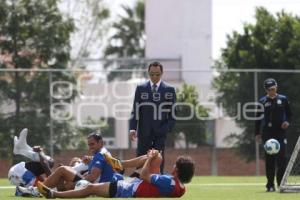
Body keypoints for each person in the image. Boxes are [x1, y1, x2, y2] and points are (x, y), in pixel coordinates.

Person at [37, 150, 195, 198]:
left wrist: (149, 160)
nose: (172, 166)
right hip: (137, 185)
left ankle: (53, 194)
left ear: (178, 170)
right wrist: (153, 157)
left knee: (90, 187)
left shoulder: (170, 182)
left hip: (129, 189)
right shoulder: (179, 186)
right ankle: (120, 164)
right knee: (157, 156)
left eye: (175, 165)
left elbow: (146, 174)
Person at [129, 61, 176, 173]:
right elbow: (135, 110)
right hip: (144, 132)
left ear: (162, 73)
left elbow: (173, 114)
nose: (154, 77)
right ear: (148, 73)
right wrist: (132, 128)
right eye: (152, 74)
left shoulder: (169, 90)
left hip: (160, 134)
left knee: (158, 160)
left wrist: (166, 129)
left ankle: (158, 184)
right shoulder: (141, 89)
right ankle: (139, 186)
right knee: (141, 159)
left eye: (157, 74)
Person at [255, 78, 292, 192]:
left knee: (282, 159)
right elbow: (257, 119)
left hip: (280, 133)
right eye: (270, 89)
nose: (272, 91)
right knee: (270, 159)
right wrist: (257, 134)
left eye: (274, 88)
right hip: (268, 133)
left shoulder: (283, 99)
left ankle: (281, 184)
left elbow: (289, 114)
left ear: (276, 87)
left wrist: (287, 122)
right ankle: (270, 185)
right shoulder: (262, 102)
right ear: (266, 90)